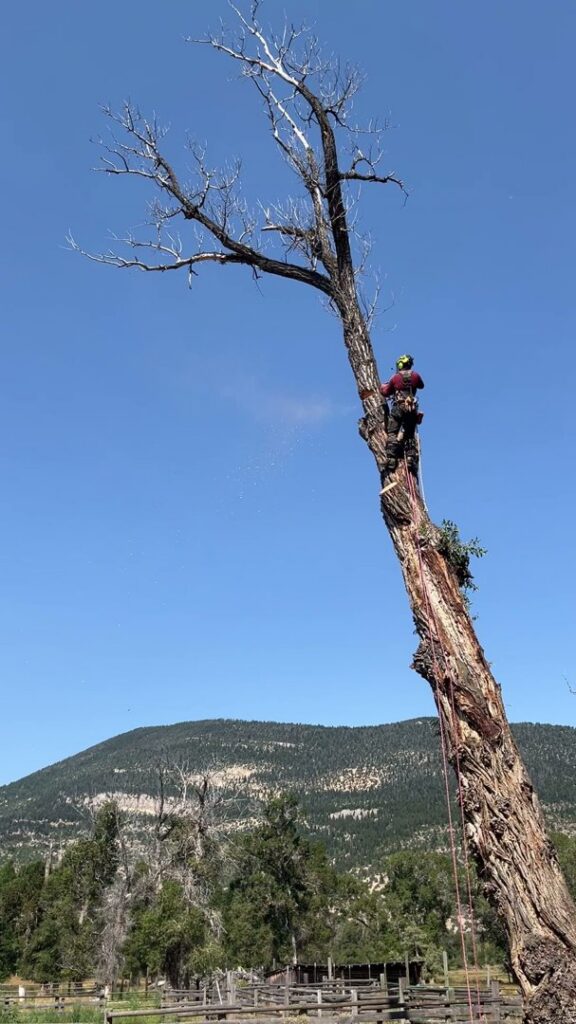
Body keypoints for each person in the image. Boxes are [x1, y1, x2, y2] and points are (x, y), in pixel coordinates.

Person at [380, 354, 424, 476]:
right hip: (411, 409)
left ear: (400, 365)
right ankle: (410, 458)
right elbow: (421, 385)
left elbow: (385, 392)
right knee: (409, 434)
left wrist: (384, 386)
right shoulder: (416, 376)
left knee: (392, 432)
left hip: (398, 408)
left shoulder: (395, 378)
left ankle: (391, 458)